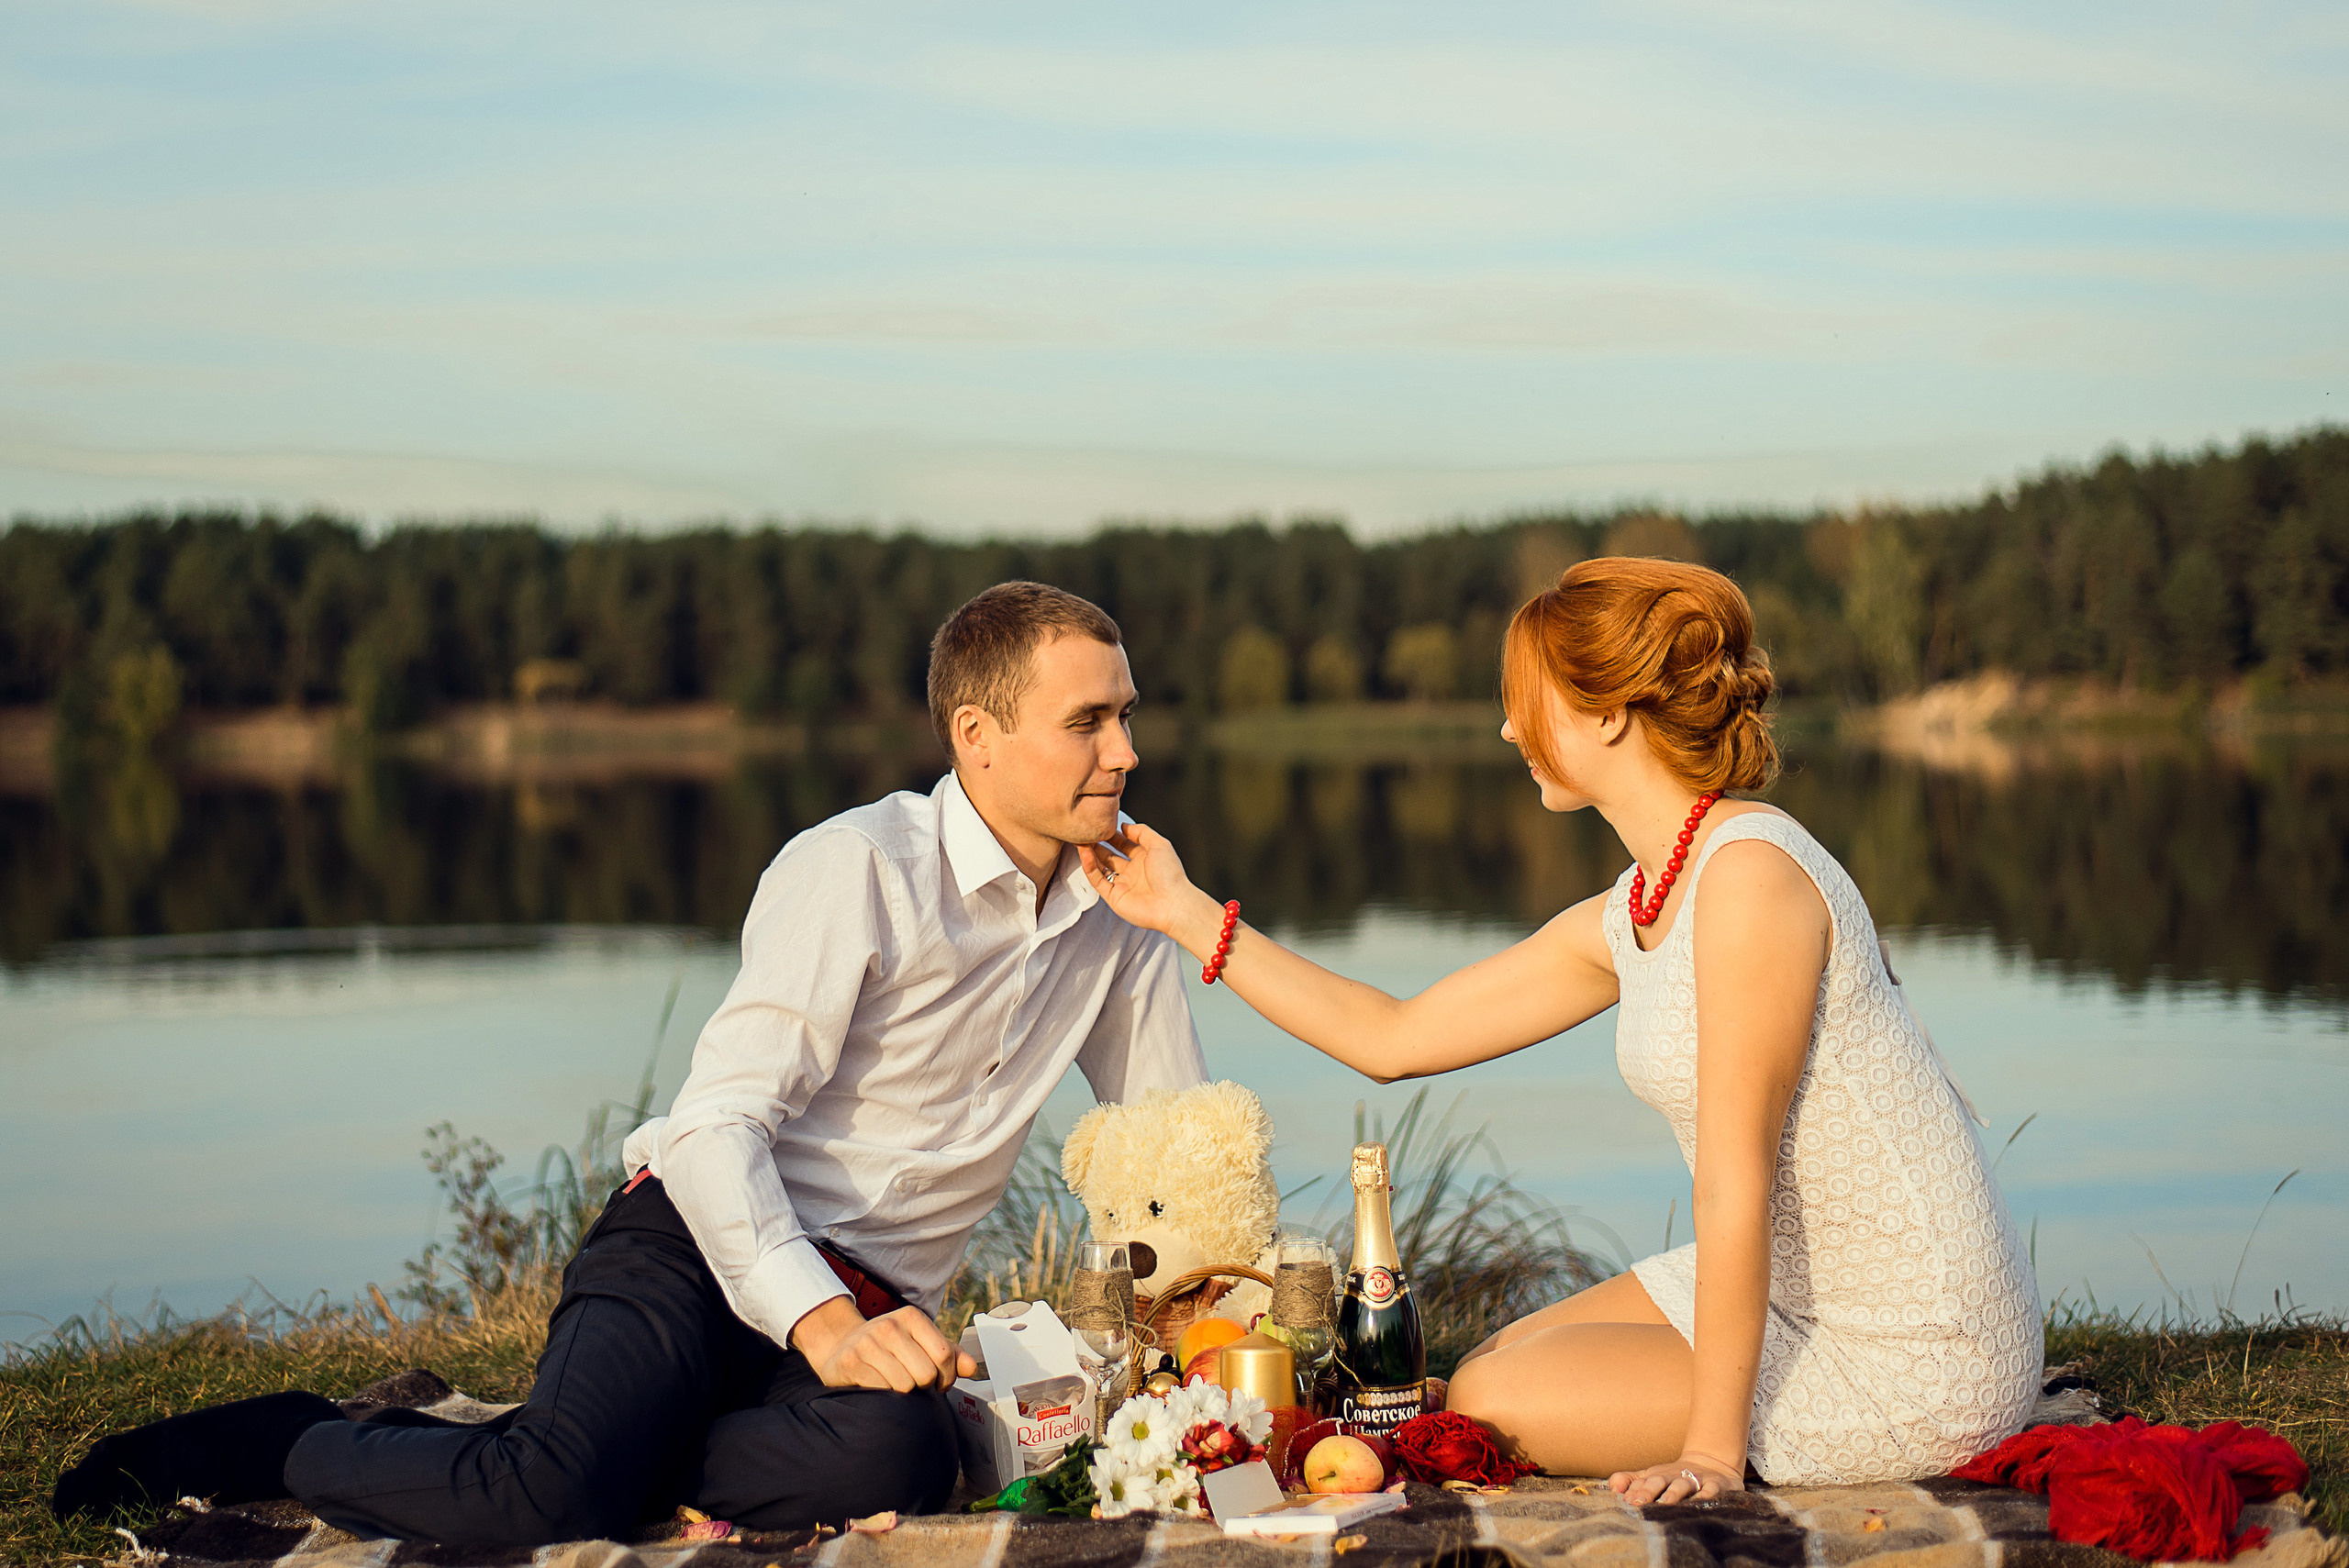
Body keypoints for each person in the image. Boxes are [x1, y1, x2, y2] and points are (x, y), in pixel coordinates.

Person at [55, 581, 1208, 1545]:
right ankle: (294, 1439)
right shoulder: (855, 866)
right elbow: (713, 1129)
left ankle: (608, 1444)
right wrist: (817, 1324)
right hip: (695, 1245)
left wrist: (1194, 1338)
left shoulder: (1125, 898)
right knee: (549, 1495)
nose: (1128, 748)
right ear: (976, 735)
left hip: (873, 1305)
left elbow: (1163, 1139)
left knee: (908, 1454)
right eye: (1090, 720)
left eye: (1127, 714)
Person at [1081, 557, 2041, 1501]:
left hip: (1917, 1347)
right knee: (1495, 1360)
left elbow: (1733, 1180)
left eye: (1526, 700)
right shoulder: (1637, 905)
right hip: (1802, 1286)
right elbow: (1393, 1033)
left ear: (1610, 709)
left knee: (1492, 1399)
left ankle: (1751, 1419)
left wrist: (1710, 1451)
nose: (1506, 726)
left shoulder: (1750, 879)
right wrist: (1183, 910)